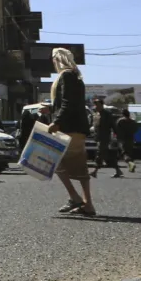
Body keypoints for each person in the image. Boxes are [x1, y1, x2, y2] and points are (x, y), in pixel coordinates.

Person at [47, 48, 95, 217]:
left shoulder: (67, 76)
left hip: (69, 128)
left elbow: (68, 103)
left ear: (58, 60)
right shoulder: (75, 76)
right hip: (77, 128)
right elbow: (70, 102)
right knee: (79, 166)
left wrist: (56, 121)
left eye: (54, 60)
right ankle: (87, 204)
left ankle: (75, 198)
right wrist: (51, 109)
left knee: (56, 162)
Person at [93, 96, 122, 178]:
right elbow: (95, 127)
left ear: (101, 105)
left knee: (99, 154)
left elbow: (113, 125)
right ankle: (118, 170)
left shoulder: (107, 114)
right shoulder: (96, 114)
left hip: (105, 137)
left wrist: (117, 135)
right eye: (95, 105)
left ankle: (95, 171)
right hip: (98, 137)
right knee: (106, 156)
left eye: (97, 104)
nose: (96, 106)